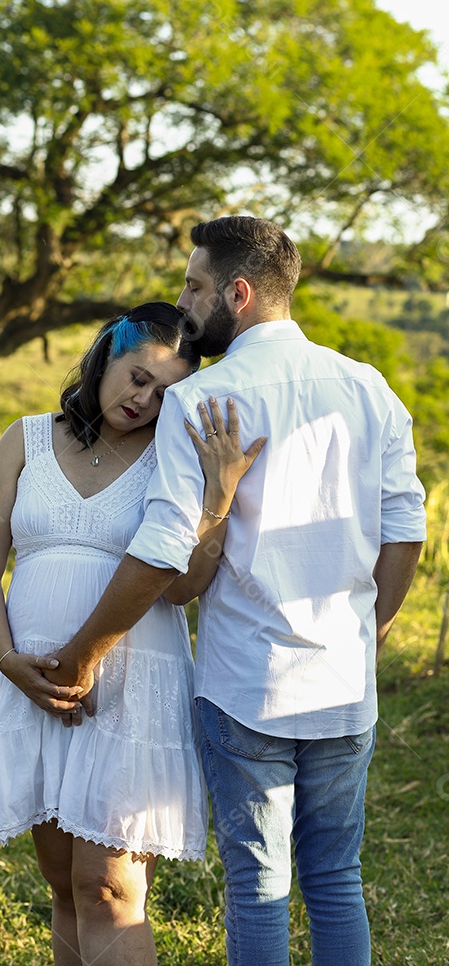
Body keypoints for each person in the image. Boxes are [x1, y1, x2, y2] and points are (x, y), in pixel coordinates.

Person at [51, 217, 427, 966]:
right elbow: (405, 529)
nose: (184, 303)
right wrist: (369, 633)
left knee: (257, 884)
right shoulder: (369, 388)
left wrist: (79, 653)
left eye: (194, 286)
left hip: (244, 684)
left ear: (239, 293)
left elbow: (164, 554)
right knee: (336, 878)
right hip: (343, 687)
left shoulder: (204, 400)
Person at [0, 301, 266, 966]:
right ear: (105, 357)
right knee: (66, 888)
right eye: (136, 377)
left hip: (133, 687)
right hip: (34, 684)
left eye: (163, 392)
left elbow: (183, 588)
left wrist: (216, 499)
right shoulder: (27, 439)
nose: (143, 399)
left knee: (109, 890)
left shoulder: (171, 458)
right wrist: (8, 660)